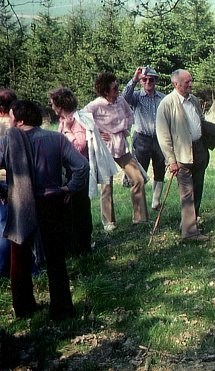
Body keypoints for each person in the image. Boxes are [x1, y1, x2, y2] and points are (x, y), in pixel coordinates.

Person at [0, 100, 88, 319]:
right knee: (56, 259)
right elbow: (82, 166)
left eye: (11, 117)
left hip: (21, 204)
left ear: (20, 121)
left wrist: (3, 191)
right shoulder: (56, 138)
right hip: (52, 203)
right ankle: (62, 309)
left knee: (19, 259)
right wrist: (70, 188)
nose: (9, 121)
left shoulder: (8, 142)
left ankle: (24, 308)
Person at [83, 71, 148, 231]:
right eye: (114, 88)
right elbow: (82, 118)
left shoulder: (120, 100)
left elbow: (130, 115)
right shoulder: (96, 104)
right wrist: (97, 132)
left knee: (138, 179)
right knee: (107, 185)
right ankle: (108, 222)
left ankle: (140, 218)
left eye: (117, 87)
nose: (117, 90)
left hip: (121, 145)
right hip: (105, 149)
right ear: (105, 91)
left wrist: (125, 127)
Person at [155, 69, 210, 241]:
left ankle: (188, 223)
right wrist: (171, 160)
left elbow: (201, 121)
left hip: (199, 150)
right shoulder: (166, 104)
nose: (191, 84)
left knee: (198, 189)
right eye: (187, 82)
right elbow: (163, 135)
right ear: (176, 84)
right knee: (187, 194)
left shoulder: (194, 100)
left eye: (191, 81)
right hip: (181, 155)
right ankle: (190, 233)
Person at [48, 87, 93, 256]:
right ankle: (74, 245)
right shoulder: (64, 120)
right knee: (71, 208)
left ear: (60, 105)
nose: (51, 106)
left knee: (80, 207)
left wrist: (67, 130)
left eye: (53, 103)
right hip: (68, 169)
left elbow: (80, 147)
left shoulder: (75, 121)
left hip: (77, 170)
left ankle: (83, 246)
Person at [123, 66, 167, 209]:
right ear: (141, 81)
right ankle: (139, 209)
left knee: (160, 170)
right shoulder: (136, 97)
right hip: (141, 139)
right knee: (138, 174)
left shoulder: (163, 98)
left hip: (160, 139)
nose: (148, 82)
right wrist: (134, 79)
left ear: (156, 81)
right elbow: (124, 97)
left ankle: (156, 202)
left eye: (151, 79)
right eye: (145, 79)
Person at [0, 88, 17, 276]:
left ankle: (3, 268)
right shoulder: (15, 127)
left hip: (2, 181)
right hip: (16, 180)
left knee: (3, 226)